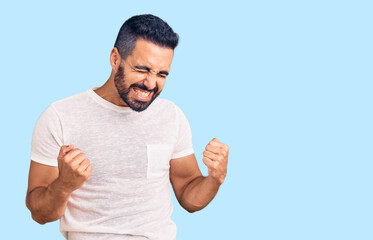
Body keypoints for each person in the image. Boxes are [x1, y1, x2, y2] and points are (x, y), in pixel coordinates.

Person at [26, 14, 229, 240]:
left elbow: (189, 196)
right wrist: (63, 186)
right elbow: (39, 213)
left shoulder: (171, 116)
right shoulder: (60, 116)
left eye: (162, 74)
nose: (151, 84)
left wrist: (214, 179)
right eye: (142, 69)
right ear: (115, 59)